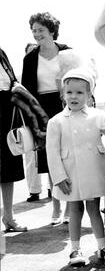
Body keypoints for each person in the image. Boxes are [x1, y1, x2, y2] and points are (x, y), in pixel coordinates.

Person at [46, 67, 105, 266]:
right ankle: (75, 250)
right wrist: (58, 177)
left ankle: (102, 246)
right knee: (74, 209)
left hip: (92, 171)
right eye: (69, 92)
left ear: (89, 94)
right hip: (70, 174)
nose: (74, 96)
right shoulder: (56, 121)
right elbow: (52, 152)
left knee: (94, 208)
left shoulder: (96, 115)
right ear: (62, 95)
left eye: (80, 92)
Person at [21, 12, 70, 224]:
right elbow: (26, 91)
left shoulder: (67, 52)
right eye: (33, 31)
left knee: (68, 156)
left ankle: (70, 207)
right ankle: (56, 207)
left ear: (52, 30)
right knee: (50, 159)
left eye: (40, 30)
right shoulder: (30, 58)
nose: (36, 34)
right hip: (42, 109)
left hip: (67, 104)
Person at [0, 47, 27, 232]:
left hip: (6, 111)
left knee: (7, 168)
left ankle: (8, 217)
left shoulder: (1, 52)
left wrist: (17, 85)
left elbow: (11, 78)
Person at [22, 43, 43, 203]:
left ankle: (52, 189)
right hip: (29, 119)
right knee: (30, 156)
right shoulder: (24, 78)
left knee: (50, 153)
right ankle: (34, 190)